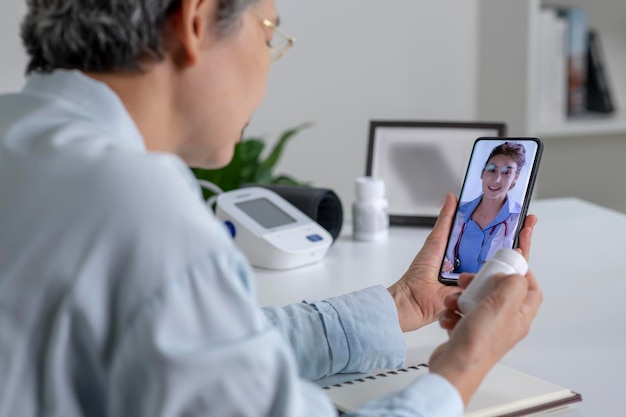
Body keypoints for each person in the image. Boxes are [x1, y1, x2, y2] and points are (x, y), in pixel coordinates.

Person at [0, 1, 542, 416]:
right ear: (196, 20)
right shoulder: (139, 204)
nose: (269, 61)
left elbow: (208, 345)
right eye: (268, 33)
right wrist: (463, 366)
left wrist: (400, 303)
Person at [443, 142, 527, 274]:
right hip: (452, 287)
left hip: (492, 289)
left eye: (506, 173)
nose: (497, 179)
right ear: (482, 172)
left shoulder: (518, 218)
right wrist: (441, 265)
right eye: (492, 169)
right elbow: (440, 252)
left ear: (515, 178)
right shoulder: (458, 213)